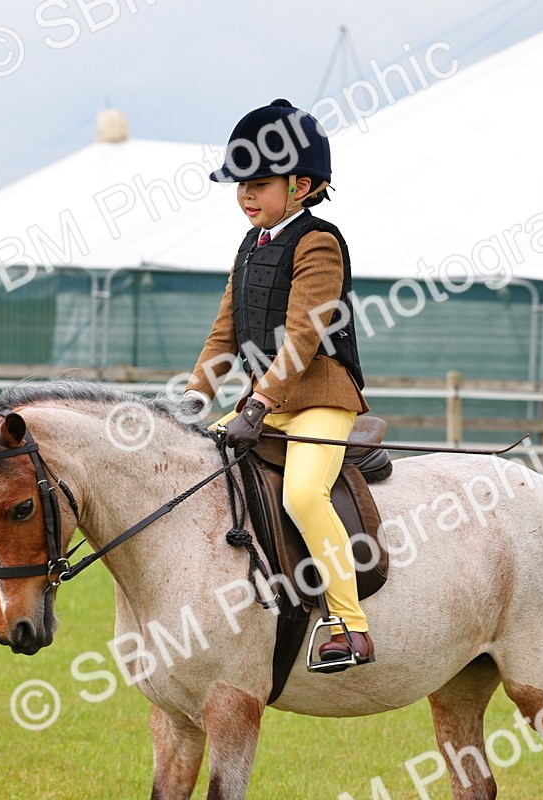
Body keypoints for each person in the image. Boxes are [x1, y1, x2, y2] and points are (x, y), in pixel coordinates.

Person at [183, 99, 374, 671]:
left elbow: (304, 335)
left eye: (259, 183)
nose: (245, 195)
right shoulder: (249, 246)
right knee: (190, 471)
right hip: (259, 404)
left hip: (317, 397)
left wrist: (261, 401)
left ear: (303, 185)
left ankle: (350, 625)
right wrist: (196, 394)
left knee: (302, 494)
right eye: (240, 184)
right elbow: (225, 333)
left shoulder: (319, 242)